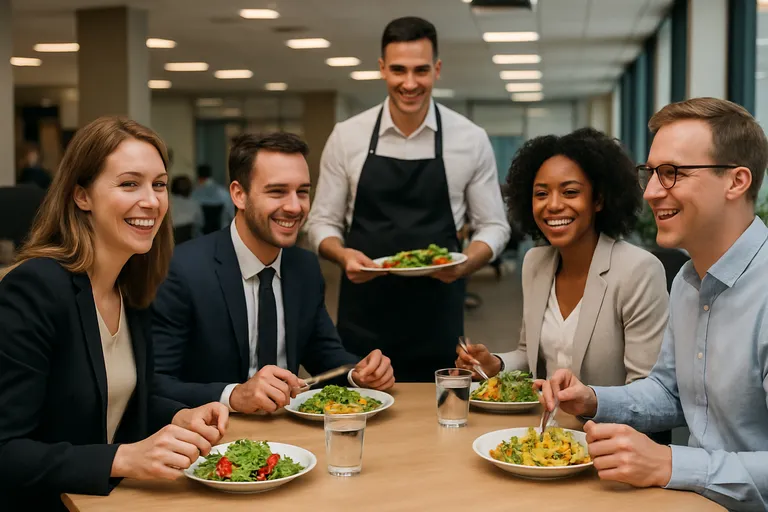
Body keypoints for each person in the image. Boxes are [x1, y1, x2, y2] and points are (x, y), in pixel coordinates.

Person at [538, 98, 768, 511]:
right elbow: (671, 392)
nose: (650, 192)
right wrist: (593, 400)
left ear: (736, 182)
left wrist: (669, 463)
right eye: (651, 173)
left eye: (672, 173)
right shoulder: (687, 282)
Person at [0, 117, 229, 510]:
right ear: (81, 196)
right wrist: (122, 458)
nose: (152, 201)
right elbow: (7, 450)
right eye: (129, 184)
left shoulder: (131, 286)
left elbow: (119, 400)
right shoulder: (36, 288)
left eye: (159, 184)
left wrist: (179, 416)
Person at [306, 16, 511, 382]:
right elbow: (321, 222)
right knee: (361, 405)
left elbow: (494, 226)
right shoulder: (347, 136)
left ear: (437, 69)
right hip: (364, 313)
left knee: (437, 410)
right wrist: (341, 254)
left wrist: (466, 263)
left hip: (438, 313)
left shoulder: (470, 138)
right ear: (382, 68)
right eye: (399, 70)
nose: (410, 83)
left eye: (421, 70)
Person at [152, 132, 395, 414]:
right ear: (239, 195)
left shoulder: (304, 267)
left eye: (302, 192)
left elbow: (323, 352)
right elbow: (156, 382)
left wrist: (358, 373)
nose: (295, 207)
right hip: (213, 432)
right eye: (277, 192)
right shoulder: (183, 270)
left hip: (291, 431)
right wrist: (233, 395)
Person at [456, 128, 668, 388]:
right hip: (545, 415)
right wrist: (496, 364)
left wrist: (591, 402)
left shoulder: (638, 270)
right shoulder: (535, 262)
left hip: (605, 416)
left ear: (598, 200)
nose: (553, 205)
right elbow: (530, 354)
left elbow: (647, 388)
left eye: (570, 192)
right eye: (541, 194)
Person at [191, 163, 234, 233]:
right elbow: (231, 213)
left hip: (201, 234)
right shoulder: (223, 192)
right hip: (222, 231)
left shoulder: (195, 194)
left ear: (198, 177)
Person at [170, 175, 204, 241]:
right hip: (188, 240)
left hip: (168, 239)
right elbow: (201, 223)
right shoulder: (194, 203)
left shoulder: (166, 203)